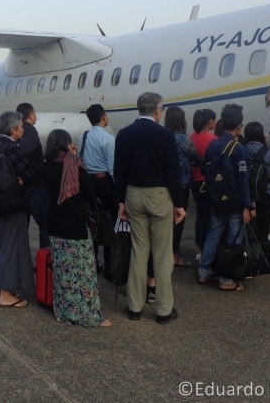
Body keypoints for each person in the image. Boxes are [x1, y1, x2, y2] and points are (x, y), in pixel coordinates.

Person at [115, 92, 184, 324]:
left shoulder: (124, 134)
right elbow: (173, 172)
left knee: (139, 251)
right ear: (157, 110)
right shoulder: (164, 135)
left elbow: (119, 170)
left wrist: (121, 202)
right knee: (163, 254)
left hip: (133, 194)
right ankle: (164, 310)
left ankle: (134, 307)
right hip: (160, 195)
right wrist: (180, 204)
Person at [44, 129, 111, 327]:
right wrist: (74, 157)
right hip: (75, 226)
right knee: (83, 273)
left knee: (63, 273)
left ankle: (65, 312)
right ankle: (88, 316)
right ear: (66, 144)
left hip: (55, 225)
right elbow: (90, 193)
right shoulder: (74, 166)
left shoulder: (45, 166)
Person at [198, 104, 254, 291]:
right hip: (234, 202)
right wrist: (247, 206)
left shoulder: (213, 144)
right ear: (239, 126)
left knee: (213, 234)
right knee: (233, 239)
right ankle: (226, 278)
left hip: (215, 198)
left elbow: (204, 168)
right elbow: (243, 181)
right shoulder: (239, 149)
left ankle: (204, 272)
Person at [0, 111, 35, 308]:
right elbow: (29, 173)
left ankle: (2, 289)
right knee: (12, 247)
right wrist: (23, 179)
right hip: (14, 204)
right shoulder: (12, 148)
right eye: (21, 127)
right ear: (13, 129)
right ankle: (6, 293)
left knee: (3, 245)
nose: (23, 130)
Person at [79, 104, 116, 278]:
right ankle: (109, 264)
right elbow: (112, 168)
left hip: (87, 182)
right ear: (103, 116)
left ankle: (93, 262)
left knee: (91, 222)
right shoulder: (108, 139)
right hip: (104, 183)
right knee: (108, 222)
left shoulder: (83, 136)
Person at [164, 106, 200, 267]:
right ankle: (174, 255)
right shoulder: (183, 139)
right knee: (178, 220)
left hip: (165, 184)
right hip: (182, 184)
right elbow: (195, 156)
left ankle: (163, 253)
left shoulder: (164, 136)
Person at [16, 102, 49, 248]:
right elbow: (23, 151)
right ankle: (45, 260)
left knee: (23, 227)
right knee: (46, 224)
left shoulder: (19, 130)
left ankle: (23, 261)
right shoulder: (29, 130)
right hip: (35, 186)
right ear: (30, 115)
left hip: (26, 186)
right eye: (35, 113)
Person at [190, 108, 217, 260]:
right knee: (209, 218)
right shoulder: (213, 140)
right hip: (207, 182)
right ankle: (205, 250)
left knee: (201, 215)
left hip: (194, 182)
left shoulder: (191, 138)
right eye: (213, 119)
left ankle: (198, 248)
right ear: (209, 121)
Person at [243, 121, 270, 242]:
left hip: (246, 195)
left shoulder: (242, 150)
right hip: (265, 194)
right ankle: (262, 256)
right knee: (264, 229)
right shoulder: (269, 153)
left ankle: (249, 254)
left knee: (247, 230)